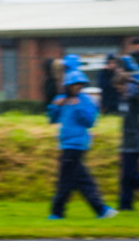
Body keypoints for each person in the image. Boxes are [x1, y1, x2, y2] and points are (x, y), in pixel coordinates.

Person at [47, 70, 117, 220]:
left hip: (77, 145)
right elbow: (52, 118)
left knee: (66, 180)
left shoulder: (85, 100)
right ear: (68, 85)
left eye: (80, 85)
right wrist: (55, 107)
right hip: (65, 145)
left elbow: (90, 122)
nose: (77, 87)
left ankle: (57, 212)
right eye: (74, 85)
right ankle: (101, 209)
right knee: (81, 179)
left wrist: (78, 108)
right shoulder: (62, 100)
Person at [118, 56, 139, 211]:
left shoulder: (134, 90)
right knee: (126, 176)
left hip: (136, 139)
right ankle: (125, 206)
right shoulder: (124, 94)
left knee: (129, 176)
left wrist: (133, 80)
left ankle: (126, 204)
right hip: (127, 141)